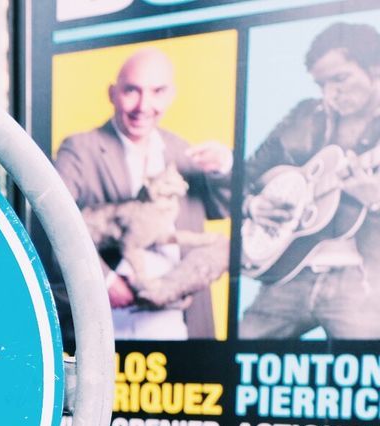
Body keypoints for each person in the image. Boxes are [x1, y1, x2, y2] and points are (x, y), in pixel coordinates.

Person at [54, 47, 233, 340]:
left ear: (171, 95)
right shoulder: (80, 149)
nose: (143, 105)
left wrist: (223, 167)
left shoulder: (183, 151)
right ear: (112, 93)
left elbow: (222, 209)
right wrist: (104, 281)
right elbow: (49, 224)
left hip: (178, 324)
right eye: (132, 91)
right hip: (109, 322)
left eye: (157, 91)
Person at [241, 21, 380, 340]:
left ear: (375, 69)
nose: (332, 94)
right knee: (231, 357)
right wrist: (253, 204)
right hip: (288, 276)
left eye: (340, 79)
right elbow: (246, 176)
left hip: (361, 286)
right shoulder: (305, 115)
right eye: (322, 85)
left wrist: (375, 201)